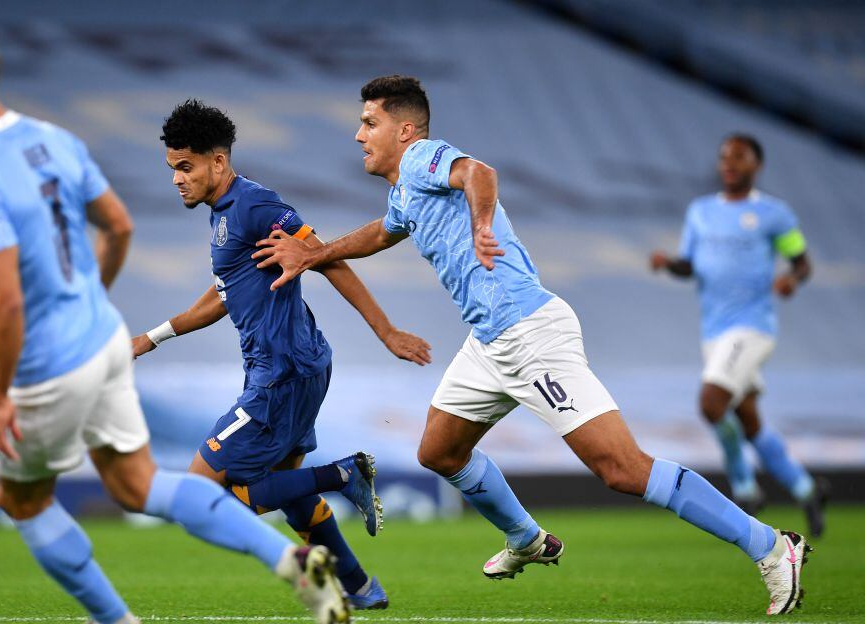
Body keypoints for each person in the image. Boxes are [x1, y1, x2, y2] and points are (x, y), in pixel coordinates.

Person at [253, 75, 812, 615]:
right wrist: (313, 254)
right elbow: (381, 232)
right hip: (490, 342)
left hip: (529, 335)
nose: (358, 135)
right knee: (439, 452)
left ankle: (768, 545)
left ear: (404, 131)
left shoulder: (425, 158)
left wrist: (481, 223)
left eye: (369, 122)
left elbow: (479, 173)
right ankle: (526, 537)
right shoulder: (407, 192)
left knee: (621, 468)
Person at [0, 24, 349, 624]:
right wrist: (88, 303)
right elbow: (118, 228)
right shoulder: (56, 140)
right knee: (139, 486)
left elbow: (5, 301)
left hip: (48, 361)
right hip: (102, 339)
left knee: (20, 498)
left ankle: (117, 620)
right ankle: (290, 560)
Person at [132, 99, 432, 610]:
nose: (177, 179)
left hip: (282, 373)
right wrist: (151, 338)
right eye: (172, 169)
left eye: (186, 167)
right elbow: (225, 293)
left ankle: (343, 474)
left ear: (218, 162)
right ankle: (360, 586)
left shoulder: (255, 206)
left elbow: (325, 259)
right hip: (294, 365)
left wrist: (386, 331)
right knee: (287, 494)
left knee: (203, 498)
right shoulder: (224, 216)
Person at [650, 134, 828, 535]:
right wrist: (668, 263)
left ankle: (745, 489)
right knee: (749, 422)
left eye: (739, 158)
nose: (729, 163)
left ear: (756, 165)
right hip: (714, 330)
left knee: (711, 403)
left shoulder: (774, 214)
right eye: (724, 157)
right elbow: (689, 266)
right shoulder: (700, 212)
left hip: (753, 327)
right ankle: (808, 488)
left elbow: (802, 262)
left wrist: (791, 279)